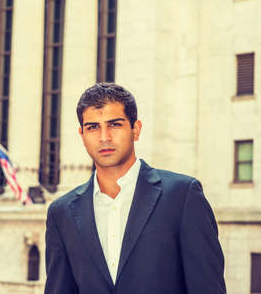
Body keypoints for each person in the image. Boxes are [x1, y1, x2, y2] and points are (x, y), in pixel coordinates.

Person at [44, 83, 226, 294]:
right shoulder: (61, 212)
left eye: (115, 124)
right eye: (93, 127)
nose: (104, 137)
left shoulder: (182, 196)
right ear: (82, 135)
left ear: (136, 129)